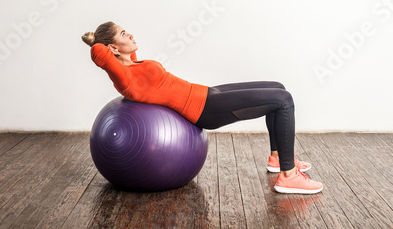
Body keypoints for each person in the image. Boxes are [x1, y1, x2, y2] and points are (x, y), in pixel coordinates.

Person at [82, 21, 323, 194]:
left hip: (206, 93)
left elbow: (121, 57)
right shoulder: (123, 77)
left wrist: (118, 44)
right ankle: (289, 176)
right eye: (124, 33)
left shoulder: (132, 65)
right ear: (112, 48)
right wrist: (96, 40)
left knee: (277, 87)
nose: (131, 34)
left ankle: (277, 158)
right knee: (284, 100)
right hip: (204, 109)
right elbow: (98, 53)